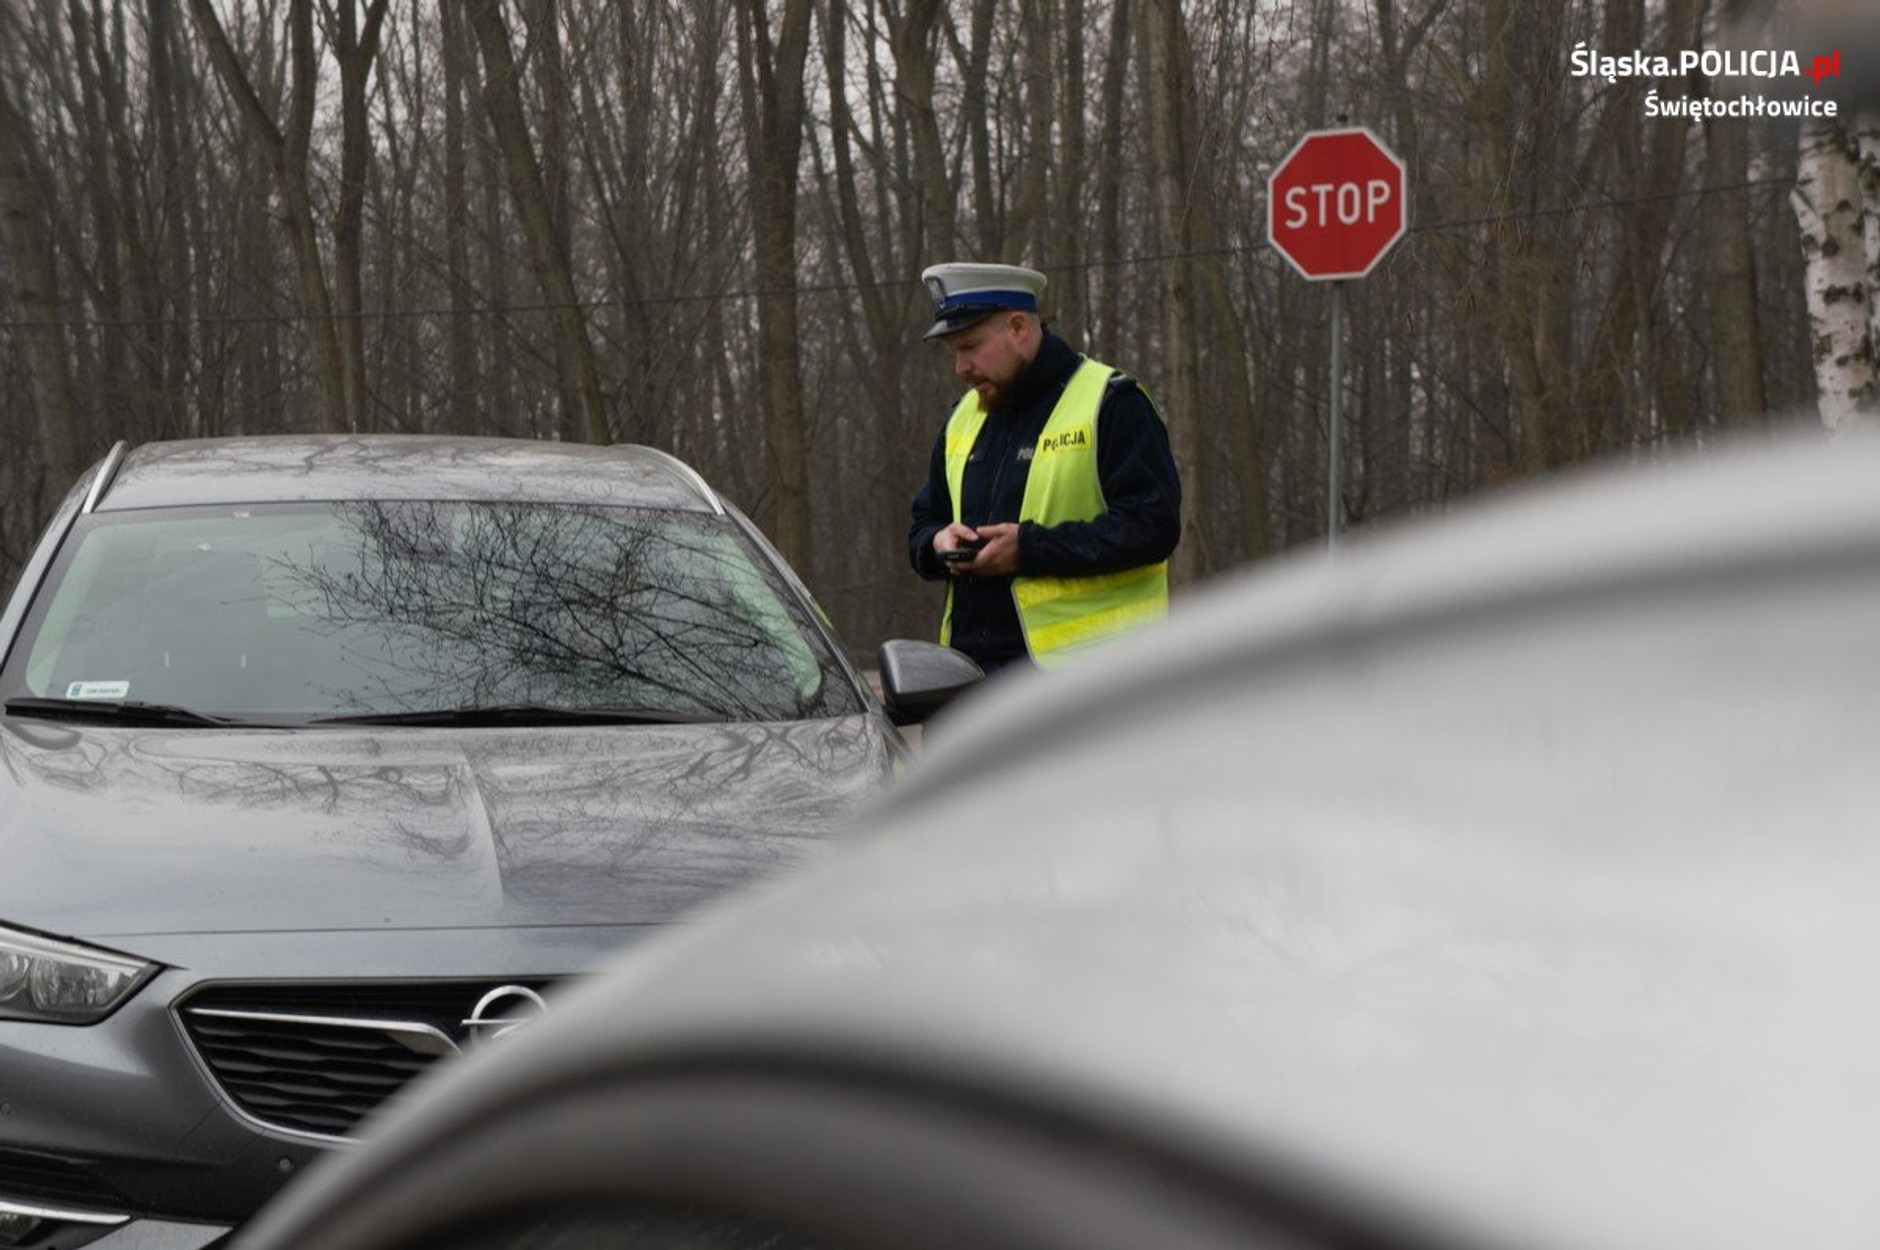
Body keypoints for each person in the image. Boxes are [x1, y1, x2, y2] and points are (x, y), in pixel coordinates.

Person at [907, 262, 1181, 674]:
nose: (960, 368)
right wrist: (937, 544)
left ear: (1018, 327)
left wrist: (1029, 549)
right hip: (966, 680)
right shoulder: (963, 418)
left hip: (1089, 684)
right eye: (954, 352)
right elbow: (924, 523)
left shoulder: (1112, 404)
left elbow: (1154, 526)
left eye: (970, 347)